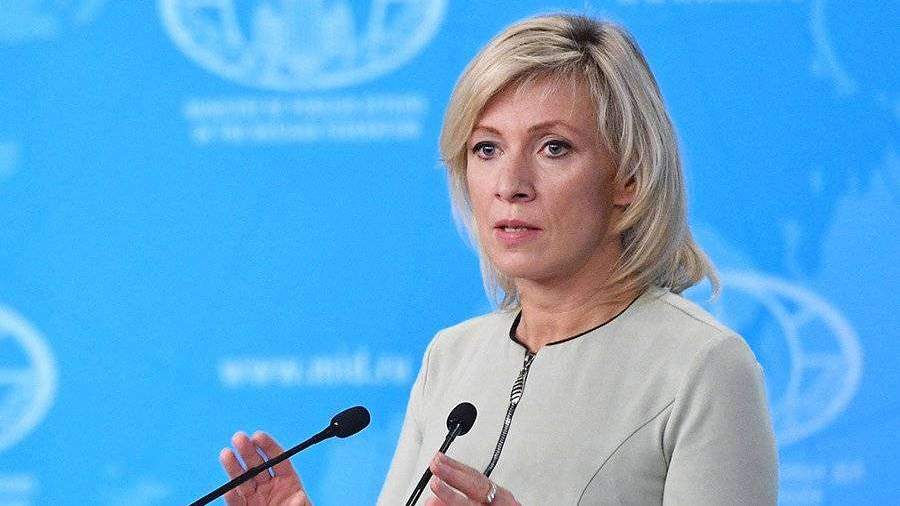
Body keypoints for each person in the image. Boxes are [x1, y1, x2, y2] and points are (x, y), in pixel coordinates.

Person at [216, 13, 778, 506]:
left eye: (553, 147)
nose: (510, 184)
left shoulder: (703, 366)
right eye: (487, 148)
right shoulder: (452, 356)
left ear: (628, 176)